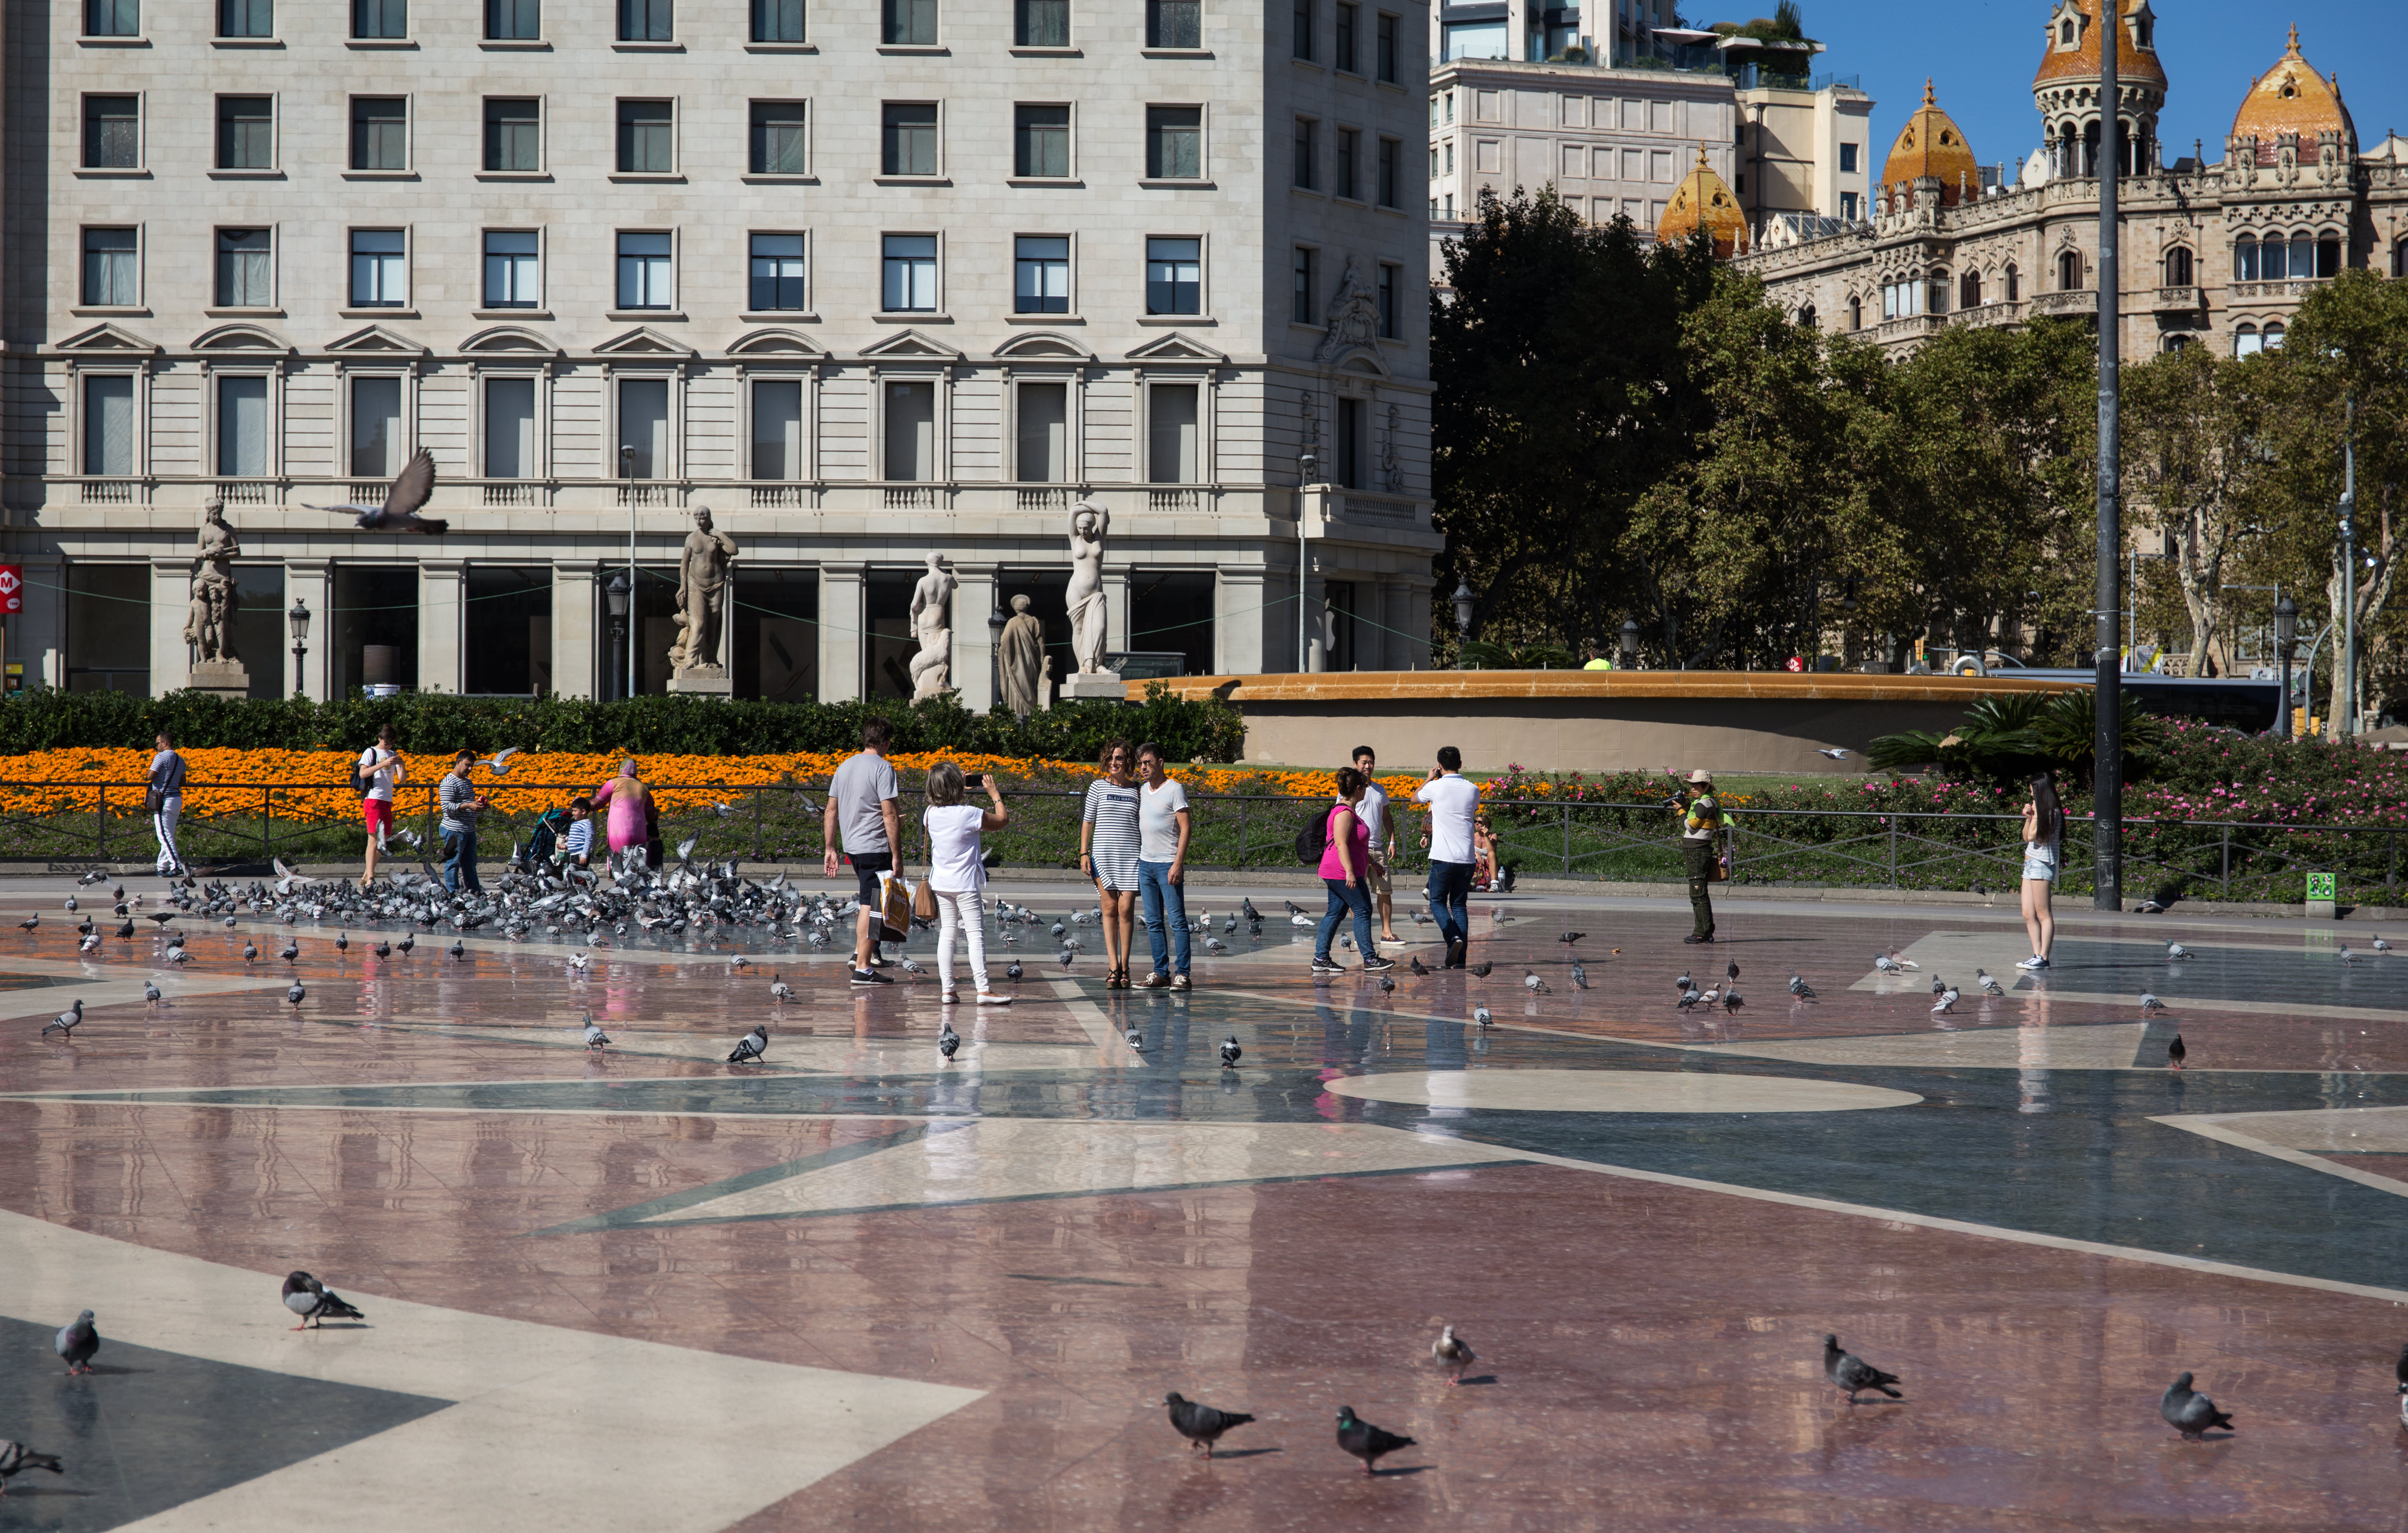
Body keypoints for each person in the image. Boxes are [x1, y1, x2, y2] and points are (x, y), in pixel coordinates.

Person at [922, 761, 1011, 1006]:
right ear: (955, 785)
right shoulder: (970, 814)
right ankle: (983, 990)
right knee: (975, 936)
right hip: (965, 884)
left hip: (941, 883)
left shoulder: (929, 813)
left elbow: (948, 807)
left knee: (947, 935)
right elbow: (1002, 820)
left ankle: (948, 991)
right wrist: (994, 794)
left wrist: (956, 788)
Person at [826, 717, 903, 986]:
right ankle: (863, 967)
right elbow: (889, 814)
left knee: (867, 903)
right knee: (872, 907)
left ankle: (861, 955)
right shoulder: (883, 768)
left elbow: (831, 810)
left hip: (854, 848)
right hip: (875, 847)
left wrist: (830, 848)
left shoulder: (845, 766)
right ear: (886, 742)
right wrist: (897, 855)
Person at [1312, 767, 1389, 975]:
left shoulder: (1349, 811)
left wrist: (1372, 863)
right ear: (1358, 789)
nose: (1367, 789)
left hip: (1339, 870)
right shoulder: (1344, 813)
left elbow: (1356, 845)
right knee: (1363, 909)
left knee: (1335, 913)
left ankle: (1321, 959)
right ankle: (1370, 959)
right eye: (1365, 786)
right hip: (1340, 871)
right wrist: (1349, 872)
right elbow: (1341, 844)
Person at [1079, 740, 1142, 987]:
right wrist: (1084, 853)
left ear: (1128, 762)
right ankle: (1113, 966)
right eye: (1110, 758)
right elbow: (1088, 822)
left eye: (1119, 758)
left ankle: (1126, 966)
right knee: (1109, 909)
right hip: (1103, 856)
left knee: (1126, 910)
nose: (1114, 762)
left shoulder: (1138, 790)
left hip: (1131, 857)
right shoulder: (1097, 787)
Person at [1134, 743, 1193, 990]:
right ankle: (1161, 973)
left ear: (1160, 763)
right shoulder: (1143, 790)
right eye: (1140, 764)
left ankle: (1183, 975)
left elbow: (1186, 828)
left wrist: (1178, 863)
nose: (1143, 767)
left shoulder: (1175, 790)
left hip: (1168, 863)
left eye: (1147, 762)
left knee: (1177, 922)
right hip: (1145, 864)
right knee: (1154, 922)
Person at [1415, 746, 1479, 968]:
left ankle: (1453, 938)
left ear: (1439, 766)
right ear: (1460, 764)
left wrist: (1429, 778)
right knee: (1459, 906)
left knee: (1437, 902)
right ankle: (1460, 960)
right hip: (1467, 858)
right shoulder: (1473, 789)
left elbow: (1414, 799)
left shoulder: (1435, 787)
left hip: (1443, 857)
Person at [1352, 746, 1401, 944]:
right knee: (1357, 895)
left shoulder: (1380, 789)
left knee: (1385, 892)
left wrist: (1392, 841)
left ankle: (1387, 932)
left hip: (1378, 848)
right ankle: (1361, 935)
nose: (1368, 766)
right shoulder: (1349, 790)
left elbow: (1387, 817)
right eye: (1364, 762)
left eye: (1371, 762)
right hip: (1357, 850)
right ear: (1355, 764)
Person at [2018, 773, 2065, 969]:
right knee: (2028, 913)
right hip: (2030, 864)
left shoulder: (2051, 812)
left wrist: (2035, 814)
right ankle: (2037, 954)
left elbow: (2032, 837)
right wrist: (2029, 818)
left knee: (2043, 913)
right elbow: (2026, 836)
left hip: (2042, 864)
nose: (2031, 795)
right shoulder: (2040, 812)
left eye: (2033, 791)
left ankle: (2044, 957)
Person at [1676, 768, 1727, 944]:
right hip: (1699, 851)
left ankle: (1702, 932)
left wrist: (1680, 811)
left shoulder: (1703, 804)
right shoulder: (1709, 802)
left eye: (1697, 785)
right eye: (1692, 785)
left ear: (1706, 787)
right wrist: (1686, 807)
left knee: (1698, 892)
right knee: (1700, 891)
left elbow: (1691, 826)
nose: (1693, 788)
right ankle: (1706, 930)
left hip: (1697, 852)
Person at [357, 725, 404, 887]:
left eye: (392, 743)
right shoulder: (371, 752)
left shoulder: (393, 754)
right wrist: (381, 764)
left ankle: (366, 874)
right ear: (380, 738)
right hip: (374, 800)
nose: (389, 746)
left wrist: (401, 764)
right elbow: (363, 773)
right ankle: (371, 878)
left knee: (384, 842)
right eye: (387, 743)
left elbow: (402, 779)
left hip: (387, 801)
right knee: (373, 840)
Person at [439, 749, 491, 895]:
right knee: (453, 863)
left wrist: (480, 806)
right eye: (468, 765)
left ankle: (474, 892)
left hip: (468, 829)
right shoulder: (449, 782)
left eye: (472, 766)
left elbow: (468, 803)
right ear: (458, 762)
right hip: (455, 829)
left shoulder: (468, 782)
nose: (470, 769)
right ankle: (453, 893)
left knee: (470, 862)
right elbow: (447, 808)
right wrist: (469, 806)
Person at [593, 759, 653, 880]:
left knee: (619, 856)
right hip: (639, 831)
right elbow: (651, 812)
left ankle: (620, 880)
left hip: (619, 829)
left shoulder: (613, 783)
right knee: (637, 858)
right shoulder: (643, 787)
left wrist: (581, 806)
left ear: (621, 769)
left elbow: (597, 803)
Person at [147, 729, 187, 878]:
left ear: (164, 743)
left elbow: (150, 776)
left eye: (157, 743)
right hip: (176, 800)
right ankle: (162, 867)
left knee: (164, 836)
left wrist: (149, 773)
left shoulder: (160, 757)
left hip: (163, 801)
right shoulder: (180, 760)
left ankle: (176, 866)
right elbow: (183, 782)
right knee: (168, 835)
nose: (156, 747)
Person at [561, 796, 597, 869]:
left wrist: (584, 855)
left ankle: (591, 876)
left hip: (580, 854)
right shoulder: (575, 824)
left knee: (579, 874)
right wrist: (566, 845)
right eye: (573, 811)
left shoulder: (587, 824)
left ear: (583, 812)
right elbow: (574, 839)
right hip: (573, 855)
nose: (573, 813)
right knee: (574, 874)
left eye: (575, 811)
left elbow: (589, 841)